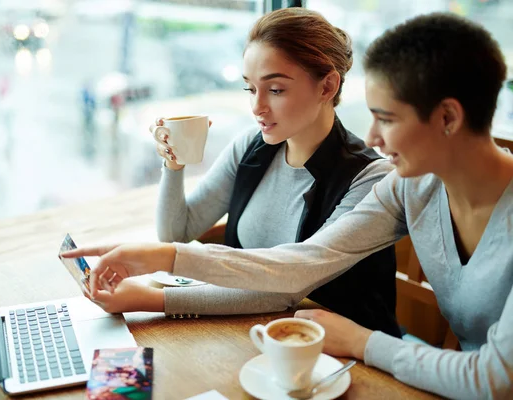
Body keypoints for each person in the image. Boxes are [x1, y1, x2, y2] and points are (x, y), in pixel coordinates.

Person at [63, 12, 513, 399]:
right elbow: (302, 264)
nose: (373, 138)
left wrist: (360, 341)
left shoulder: (379, 176)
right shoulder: (410, 187)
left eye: (387, 119)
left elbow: (494, 380)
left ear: (448, 119)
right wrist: (161, 254)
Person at [77, 8, 401, 337]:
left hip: (348, 362)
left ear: (327, 86)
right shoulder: (253, 146)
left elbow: (284, 287)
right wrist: (173, 164)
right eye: (250, 89)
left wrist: (151, 298)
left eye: (275, 90)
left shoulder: (370, 179)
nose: (257, 107)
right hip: (258, 337)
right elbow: (178, 231)